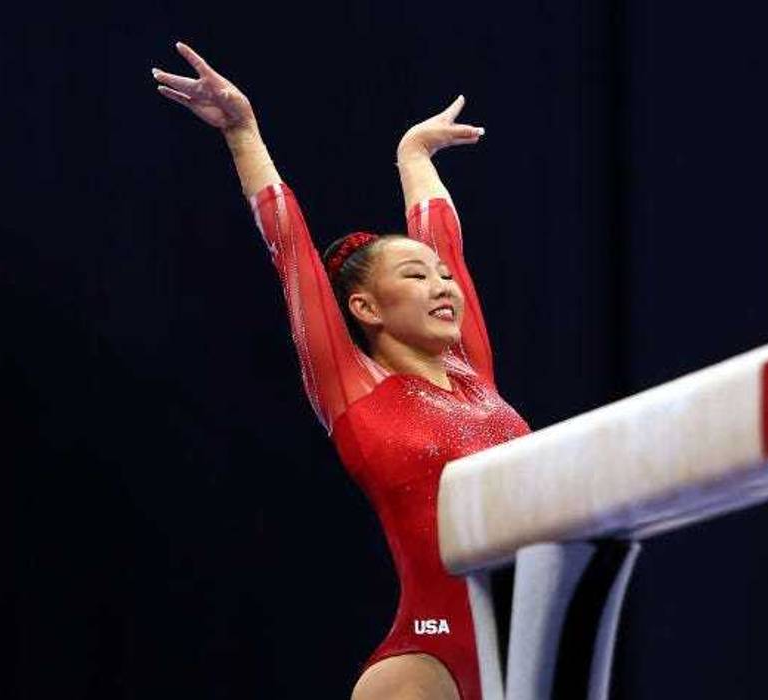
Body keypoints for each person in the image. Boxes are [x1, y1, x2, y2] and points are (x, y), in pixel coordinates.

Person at [153, 41, 531, 700]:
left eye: (444, 277)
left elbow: (445, 240)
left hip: (535, 647)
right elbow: (290, 252)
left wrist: (413, 156)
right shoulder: (354, 388)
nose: (443, 284)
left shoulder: (472, 370)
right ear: (364, 308)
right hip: (433, 658)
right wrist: (244, 133)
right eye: (415, 277)